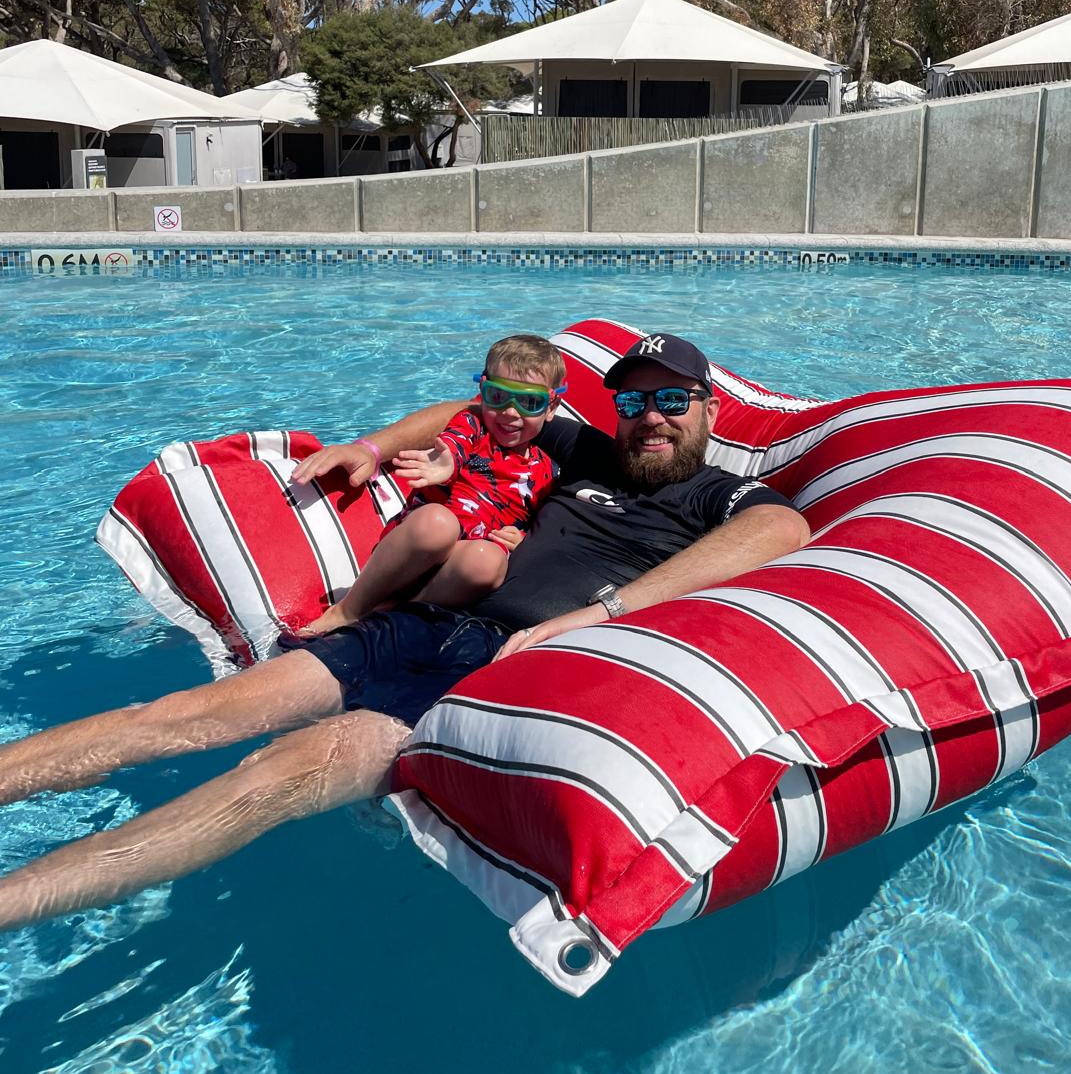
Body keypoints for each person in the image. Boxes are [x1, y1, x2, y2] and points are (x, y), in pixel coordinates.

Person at [0, 333, 810, 933]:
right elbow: (473, 410)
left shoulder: (718, 497)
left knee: (271, 774)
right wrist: (372, 446)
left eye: (673, 401)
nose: (651, 419)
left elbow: (785, 532)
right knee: (175, 718)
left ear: (706, 409)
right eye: (635, 401)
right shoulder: (586, 450)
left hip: (487, 673)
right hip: (421, 622)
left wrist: (595, 617)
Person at [296, 333, 565, 634]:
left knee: (487, 561)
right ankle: (348, 610)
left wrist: (521, 539)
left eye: (530, 402)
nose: (511, 412)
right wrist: (447, 459)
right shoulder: (473, 426)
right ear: (482, 391)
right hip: (415, 547)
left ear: (552, 406)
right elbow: (455, 439)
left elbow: (540, 522)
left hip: (452, 576)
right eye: (498, 396)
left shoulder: (548, 471)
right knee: (439, 522)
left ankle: (395, 612)